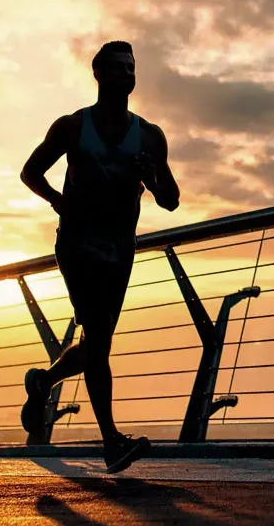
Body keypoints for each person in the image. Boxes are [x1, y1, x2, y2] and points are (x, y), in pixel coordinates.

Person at [20, 40, 180, 474]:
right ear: (98, 74)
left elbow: (171, 200)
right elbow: (30, 172)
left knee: (97, 343)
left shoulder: (149, 135)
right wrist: (58, 201)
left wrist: (152, 177)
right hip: (77, 244)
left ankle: (44, 380)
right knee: (100, 339)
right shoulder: (73, 126)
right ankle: (110, 441)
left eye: (131, 67)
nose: (125, 73)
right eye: (116, 67)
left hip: (119, 249)